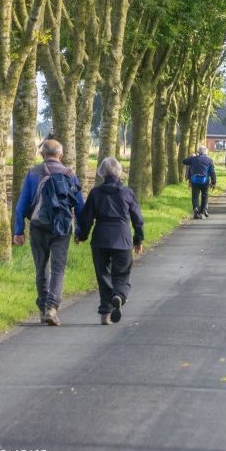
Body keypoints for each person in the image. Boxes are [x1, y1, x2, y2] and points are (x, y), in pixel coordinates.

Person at [14, 139, 84, 326]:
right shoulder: (69, 174)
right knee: (58, 268)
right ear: (61, 155)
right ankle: (52, 308)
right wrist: (80, 230)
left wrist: (18, 231)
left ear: (42, 154)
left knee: (41, 268)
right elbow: (79, 206)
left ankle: (43, 306)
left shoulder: (33, 173)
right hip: (62, 227)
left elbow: (21, 206)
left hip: (38, 226)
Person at [77, 157, 145, 325]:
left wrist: (81, 235)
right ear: (119, 172)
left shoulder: (95, 193)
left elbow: (87, 218)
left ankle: (105, 313)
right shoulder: (127, 192)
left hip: (100, 239)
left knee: (103, 276)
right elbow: (137, 219)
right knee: (122, 274)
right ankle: (119, 295)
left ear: (101, 173)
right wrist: (138, 239)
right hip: (122, 238)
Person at [183, 146, 217, 219]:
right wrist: (213, 183)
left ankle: (195, 208)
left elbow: (184, 161)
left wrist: (190, 156)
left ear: (199, 152)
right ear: (205, 152)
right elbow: (212, 172)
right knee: (204, 196)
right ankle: (202, 213)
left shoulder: (193, 159)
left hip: (194, 181)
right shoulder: (209, 160)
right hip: (205, 181)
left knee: (195, 196)